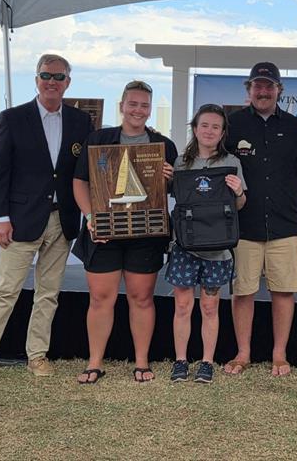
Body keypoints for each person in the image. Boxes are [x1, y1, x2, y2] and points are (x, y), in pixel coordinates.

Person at [0, 54, 93, 385]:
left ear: (68, 82)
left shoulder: (81, 121)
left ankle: (37, 356)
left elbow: (90, 169)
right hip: (20, 221)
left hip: (62, 221)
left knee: (48, 293)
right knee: (5, 291)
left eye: (59, 77)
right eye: (46, 75)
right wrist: (0, 218)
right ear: (36, 79)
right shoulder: (12, 118)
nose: (52, 82)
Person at [72, 80, 177, 384]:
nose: (138, 110)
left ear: (150, 109)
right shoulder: (98, 139)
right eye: (133, 104)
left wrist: (171, 178)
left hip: (146, 234)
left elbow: (172, 191)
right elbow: (80, 182)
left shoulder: (164, 145)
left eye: (144, 105)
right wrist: (90, 217)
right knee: (100, 298)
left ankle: (141, 362)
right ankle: (94, 362)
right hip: (104, 231)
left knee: (141, 298)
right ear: (122, 106)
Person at [224, 62, 297, 377]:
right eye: (257, 85)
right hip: (244, 226)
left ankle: (279, 355)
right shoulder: (232, 125)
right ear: (248, 89)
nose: (263, 91)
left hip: (285, 225)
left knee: (283, 292)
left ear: (279, 90)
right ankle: (243, 353)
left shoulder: (295, 127)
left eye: (269, 86)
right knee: (242, 291)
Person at [167, 104, 247, 384]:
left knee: (210, 307)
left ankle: (207, 362)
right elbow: (172, 197)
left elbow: (239, 205)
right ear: (195, 128)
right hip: (185, 245)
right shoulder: (180, 163)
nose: (209, 131)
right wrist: (165, 179)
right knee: (182, 305)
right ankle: (180, 360)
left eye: (216, 127)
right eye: (204, 125)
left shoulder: (232, 162)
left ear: (223, 132)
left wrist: (239, 191)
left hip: (218, 247)